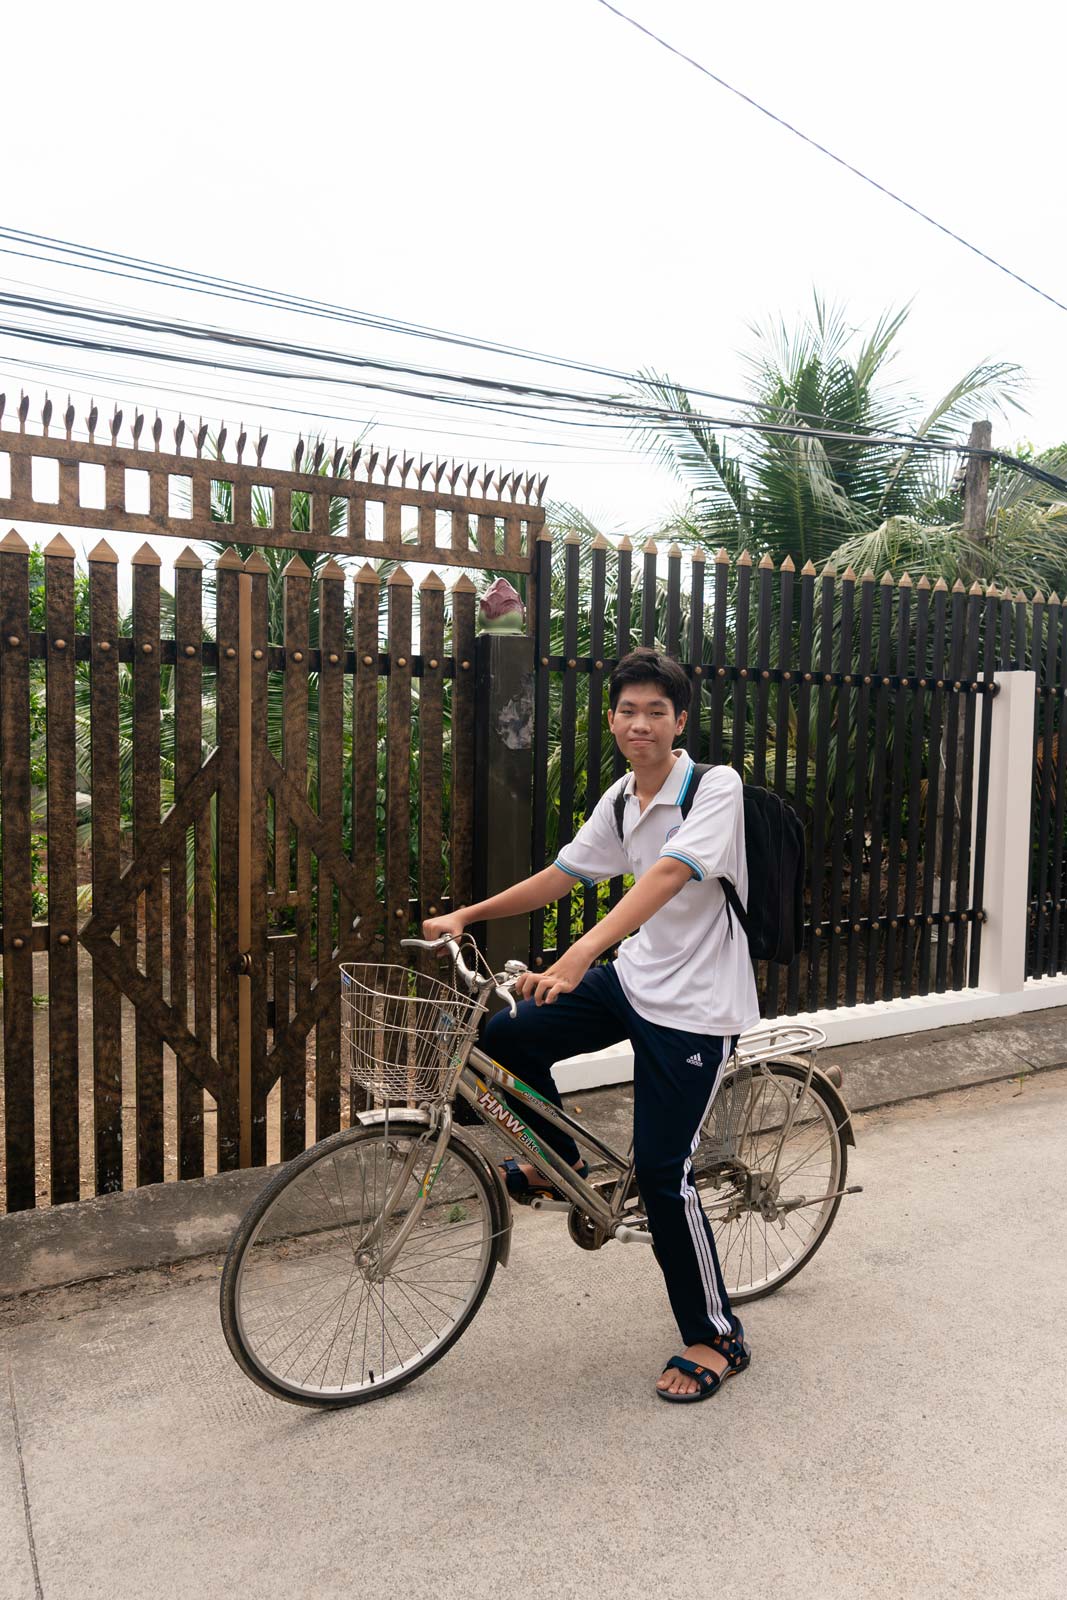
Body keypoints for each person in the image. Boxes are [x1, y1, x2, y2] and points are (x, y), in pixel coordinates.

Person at [422, 647, 760, 1403]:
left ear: (679, 721)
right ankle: (556, 1158)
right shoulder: (620, 798)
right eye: (627, 711)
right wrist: (468, 914)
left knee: (666, 1177)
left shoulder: (714, 788)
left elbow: (672, 872)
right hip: (635, 981)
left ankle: (715, 1337)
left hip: (698, 1007)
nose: (639, 724)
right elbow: (563, 873)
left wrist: (577, 954)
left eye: (655, 712)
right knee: (505, 1036)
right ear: (611, 719)